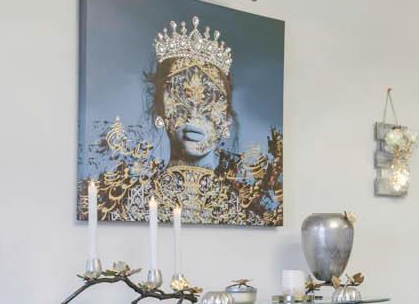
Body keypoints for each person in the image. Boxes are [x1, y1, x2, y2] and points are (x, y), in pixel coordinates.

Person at [89, 16, 281, 225]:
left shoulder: (249, 210)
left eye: (211, 97)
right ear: (159, 112)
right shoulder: (129, 202)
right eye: (179, 92)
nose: (195, 110)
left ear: (226, 122)